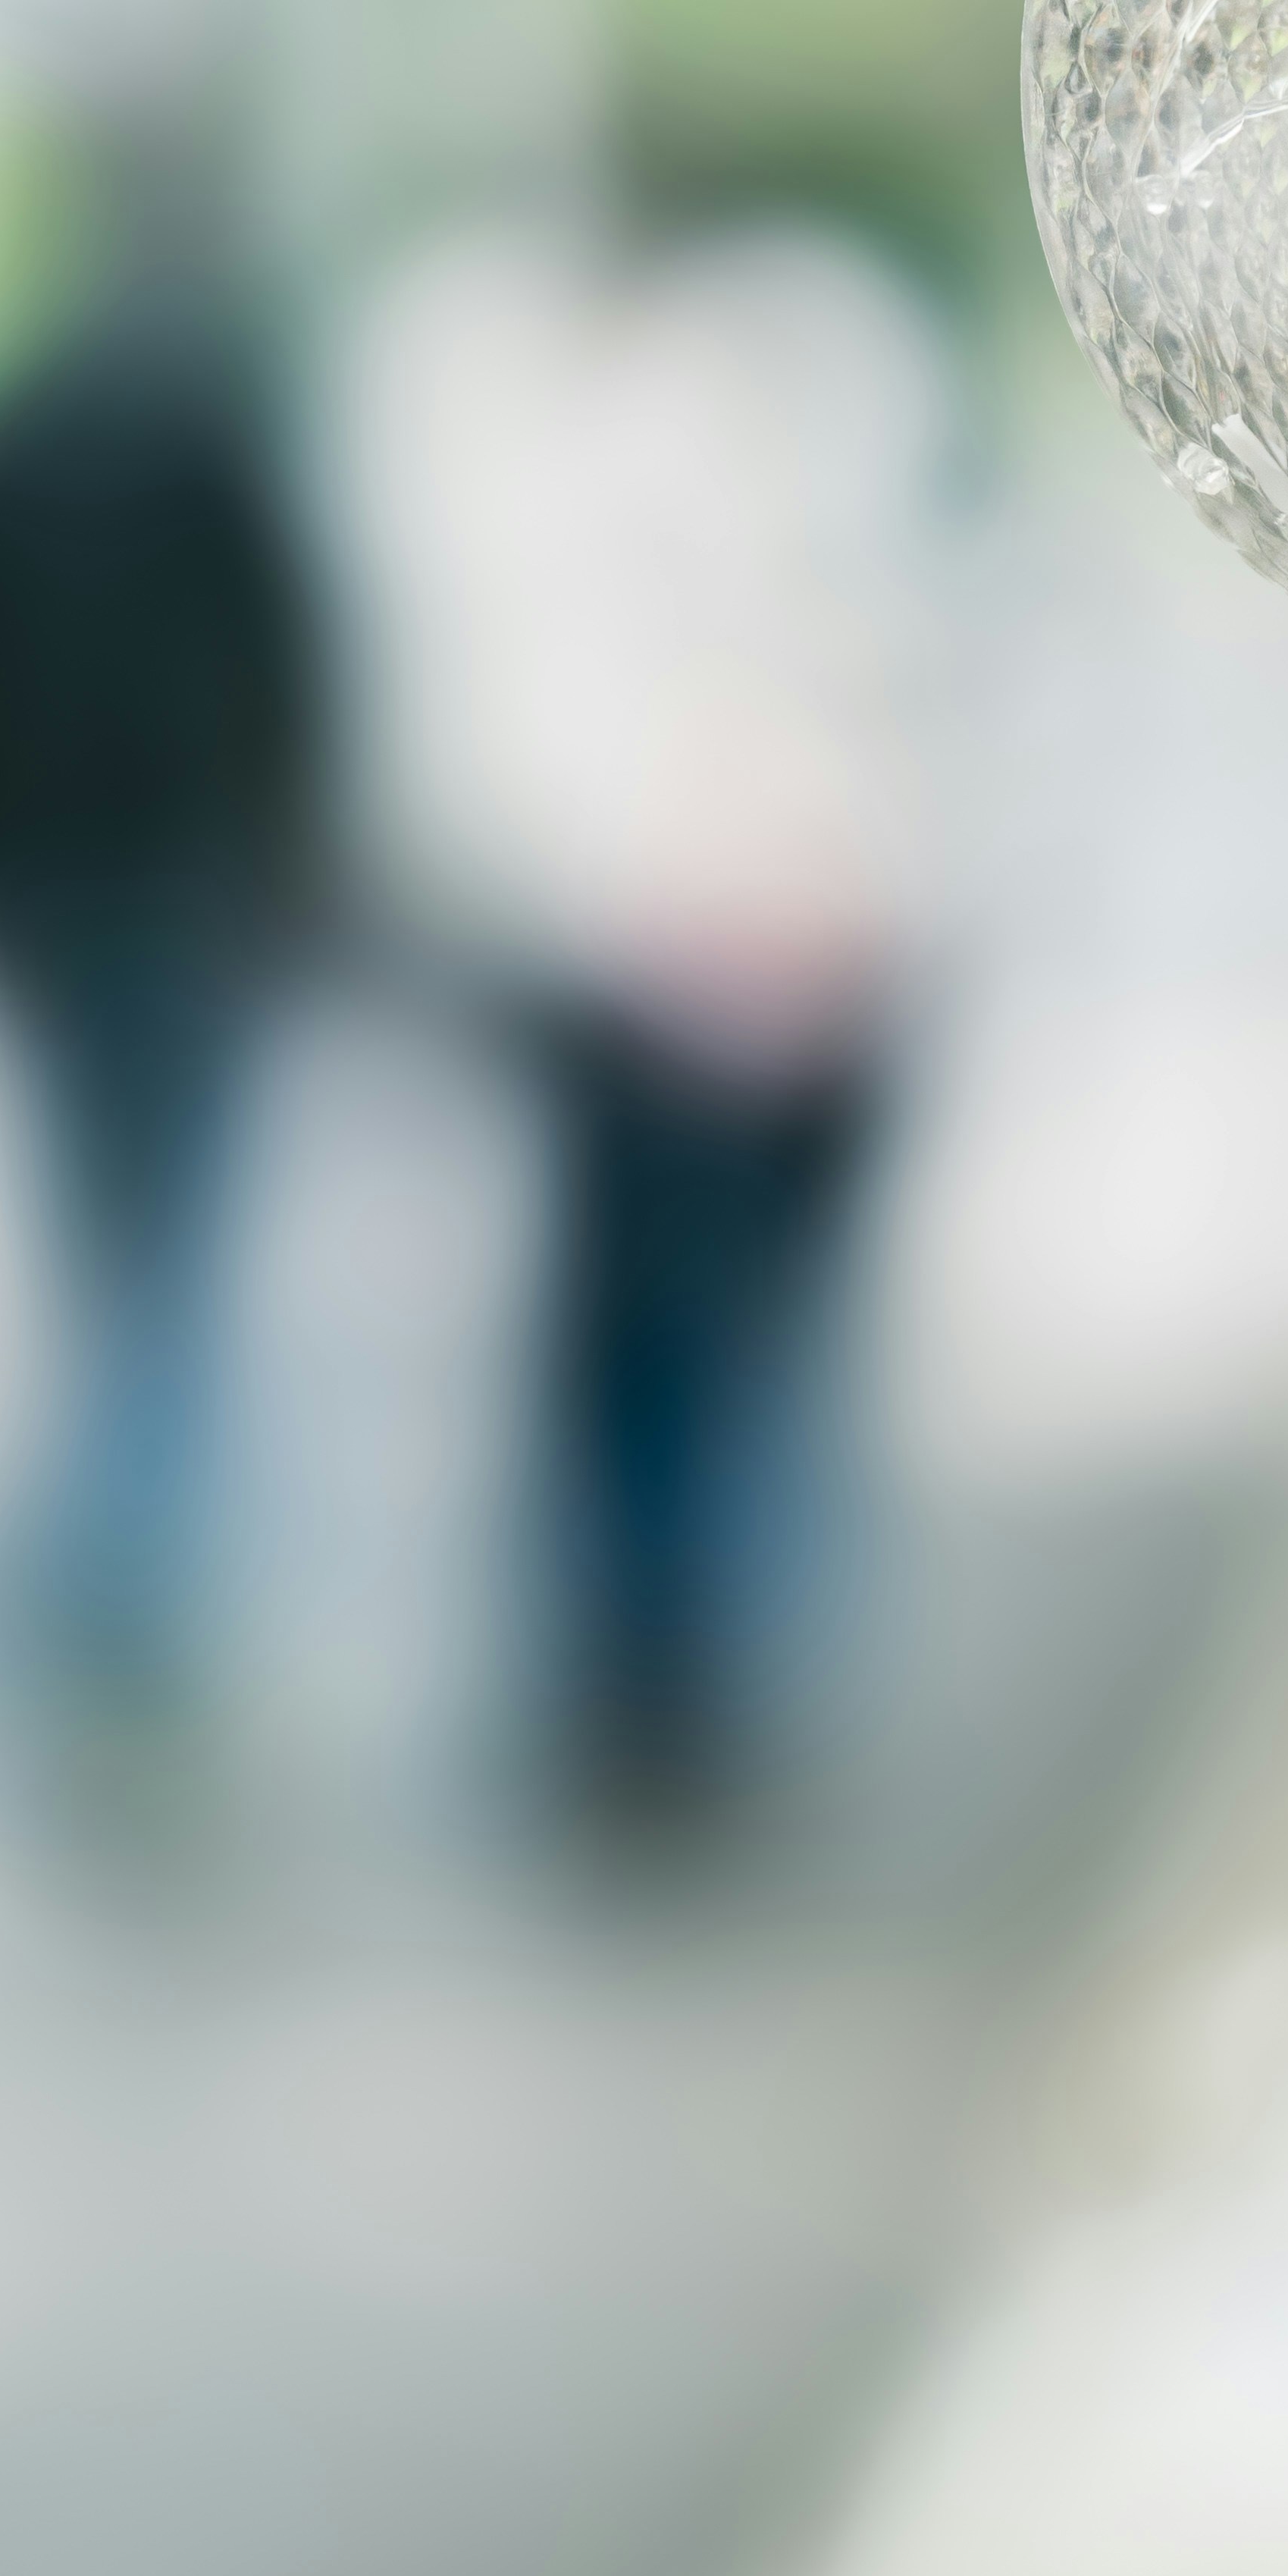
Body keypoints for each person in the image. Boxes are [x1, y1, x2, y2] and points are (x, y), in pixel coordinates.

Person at [327, 206, 955, 1829]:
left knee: (642, 1370)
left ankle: (658, 1684)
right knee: (709, 1363)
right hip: (716, 976)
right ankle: (682, 1680)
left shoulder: (591, 539)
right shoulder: (802, 540)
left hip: (666, 980)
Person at [0, 300, 327, 1735]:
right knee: (164, 1250)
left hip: (42, 894)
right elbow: (289, 674)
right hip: (179, 892)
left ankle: (101, 1562)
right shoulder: (206, 460)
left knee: (82, 1238)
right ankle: (127, 1571)